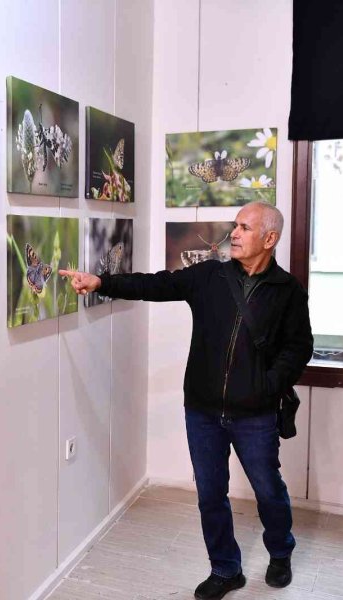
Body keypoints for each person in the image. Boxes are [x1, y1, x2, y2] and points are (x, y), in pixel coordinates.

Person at [61, 201, 313, 600]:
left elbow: (299, 348)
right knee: (211, 494)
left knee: (268, 489)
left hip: (256, 414)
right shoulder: (211, 275)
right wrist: (101, 282)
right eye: (235, 225)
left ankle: (280, 552)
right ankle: (225, 569)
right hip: (203, 411)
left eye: (245, 228)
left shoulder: (288, 292)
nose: (234, 233)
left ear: (270, 238)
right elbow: (157, 284)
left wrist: (268, 385)